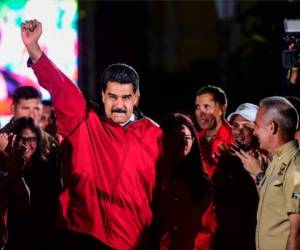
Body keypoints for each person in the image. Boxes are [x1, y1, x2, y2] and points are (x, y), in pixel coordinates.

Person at [21, 19, 163, 249]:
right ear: (103, 96)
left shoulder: (156, 137)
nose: (119, 104)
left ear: (136, 97)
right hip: (82, 235)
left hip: (132, 242)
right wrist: (34, 50)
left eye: (126, 97)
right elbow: (61, 87)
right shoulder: (84, 123)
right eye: (113, 96)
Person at [153, 113, 214, 250]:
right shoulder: (153, 176)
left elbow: (208, 229)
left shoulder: (203, 183)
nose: (182, 142)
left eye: (187, 137)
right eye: (176, 136)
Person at [3, 117, 62, 250]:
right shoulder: (5, 164)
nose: (26, 144)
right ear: (14, 139)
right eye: (22, 139)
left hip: (40, 235)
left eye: (32, 139)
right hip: (13, 237)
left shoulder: (46, 167)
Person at [213, 103, 263, 250]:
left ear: (257, 129)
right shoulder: (227, 159)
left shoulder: (266, 160)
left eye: (246, 126)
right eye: (235, 125)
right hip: (227, 239)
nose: (239, 131)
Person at [253, 96, 300, 250]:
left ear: (272, 127)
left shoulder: (295, 166)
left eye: (257, 125)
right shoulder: (276, 161)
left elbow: (297, 232)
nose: (254, 132)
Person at [194, 85, 232, 178]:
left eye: (206, 106)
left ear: (222, 109)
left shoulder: (235, 139)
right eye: (198, 107)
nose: (200, 113)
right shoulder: (194, 140)